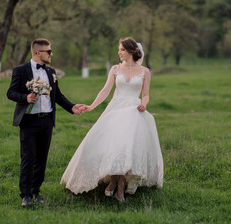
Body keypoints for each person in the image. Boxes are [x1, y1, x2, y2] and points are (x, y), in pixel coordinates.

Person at [60, 37, 163, 202]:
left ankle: (120, 186)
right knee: (114, 145)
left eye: (122, 49)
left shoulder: (144, 72)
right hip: (116, 109)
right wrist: (92, 106)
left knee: (126, 146)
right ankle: (114, 180)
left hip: (134, 111)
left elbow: (146, 94)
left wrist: (144, 104)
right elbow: (105, 90)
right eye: (119, 49)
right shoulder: (115, 69)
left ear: (130, 51)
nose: (119, 52)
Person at [7, 38, 84, 207]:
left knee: (42, 158)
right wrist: (25, 97)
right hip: (29, 121)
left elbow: (58, 96)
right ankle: (25, 195)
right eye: (49, 51)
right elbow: (10, 92)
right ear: (38, 53)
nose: (51, 54)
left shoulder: (51, 72)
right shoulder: (21, 70)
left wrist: (72, 107)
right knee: (28, 157)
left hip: (47, 121)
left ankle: (35, 191)